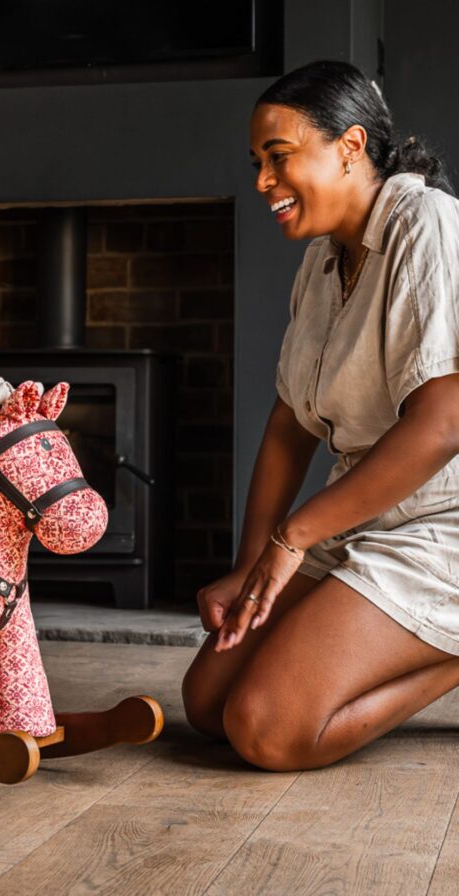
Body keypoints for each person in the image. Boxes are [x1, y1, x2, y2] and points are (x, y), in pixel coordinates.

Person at [182, 60, 459, 771]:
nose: (262, 183)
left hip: (446, 520)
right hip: (367, 514)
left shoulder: (425, 222)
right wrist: (250, 567)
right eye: (257, 164)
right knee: (208, 703)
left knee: (266, 728)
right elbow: (289, 425)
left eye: (278, 158)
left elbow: (442, 424)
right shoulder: (323, 260)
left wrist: (292, 538)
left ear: (350, 146)